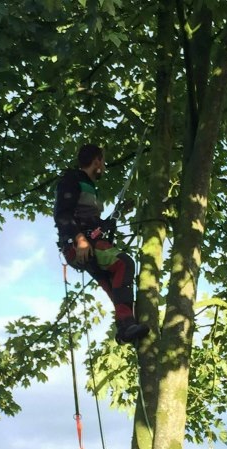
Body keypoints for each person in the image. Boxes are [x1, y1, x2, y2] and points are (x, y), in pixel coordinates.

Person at [54, 144, 149, 344]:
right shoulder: (72, 180)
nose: (103, 167)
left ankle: (125, 327)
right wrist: (79, 240)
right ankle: (127, 324)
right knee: (124, 263)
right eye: (103, 161)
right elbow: (62, 214)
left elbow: (91, 222)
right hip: (80, 244)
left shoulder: (88, 187)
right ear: (97, 161)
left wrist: (114, 217)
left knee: (113, 285)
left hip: (89, 242)